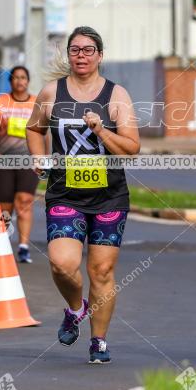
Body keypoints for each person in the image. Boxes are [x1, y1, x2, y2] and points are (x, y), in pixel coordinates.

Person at [26, 26, 140, 364]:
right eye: (75, 50)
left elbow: (131, 149)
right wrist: (38, 157)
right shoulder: (51, 92)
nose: (81, 56)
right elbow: (34, 128)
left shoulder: (116, 96)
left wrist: (101, 129)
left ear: (100, 56)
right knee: (62, 264)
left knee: (101, 272)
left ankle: (99, 342)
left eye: (88, 50)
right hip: (65, 192)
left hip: (109, 195)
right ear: (69, 56)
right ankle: (76, 308)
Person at [0, 66, 39, 263]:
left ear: (28, 81)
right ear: (11, 81)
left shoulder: (36, 103)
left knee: (25, 201)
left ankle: (24, 247)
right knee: (4, 206)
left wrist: (43, 156)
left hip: (28, 160)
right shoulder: (1, 101)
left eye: (23, 77)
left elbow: (43, 132)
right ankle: (3, 244)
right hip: (5, 159)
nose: (20, 81)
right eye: (16, 77)